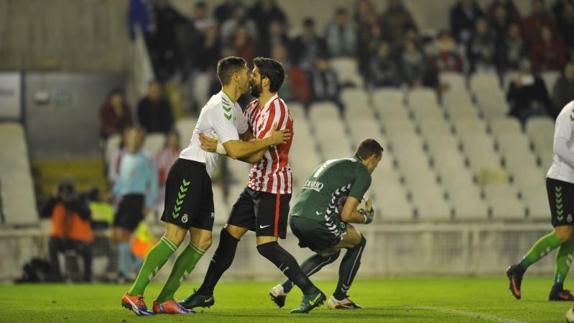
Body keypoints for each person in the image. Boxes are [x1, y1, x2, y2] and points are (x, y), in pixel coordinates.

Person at [121, 56, 290, 316]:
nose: (250, 76)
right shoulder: (219, 105)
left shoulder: (234, 109)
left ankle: (165, 299)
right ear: (236, 77)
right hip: (189, 169)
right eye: (247, 71)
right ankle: (134, 293)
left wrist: (261, 143)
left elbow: (251, 153)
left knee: (203, 239)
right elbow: (236, 149)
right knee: (175, 236)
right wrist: (268, 141)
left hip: (202, 175)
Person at [180, 57, 326, 314]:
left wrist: (222, 148)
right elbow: (245, 144)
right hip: (256, 183)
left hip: (273, 185)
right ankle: (205, 293)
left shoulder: (277, 109)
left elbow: (256, 154)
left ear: (266, 81)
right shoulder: (253, 108)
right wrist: (237, 147)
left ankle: (311, 292)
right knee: (228, 236)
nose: (251, 77)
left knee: (266, 245)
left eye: (255, 74)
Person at [269, 139, 383, 310]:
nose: (375, 167)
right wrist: (366, 218)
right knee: (359, 242)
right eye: (377, 162)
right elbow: (346, 215)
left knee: (329, 253)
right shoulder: (362, 173)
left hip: (296, 217)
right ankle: (340, 298)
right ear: (373, 157)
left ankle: (283, 288)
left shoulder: (334, 163)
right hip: (317, 220)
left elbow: (328, 200)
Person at [506, 99, 574, 301]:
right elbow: (559, 147)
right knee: (563, 233)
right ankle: (518, 269)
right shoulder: (570, 111)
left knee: (572, 235)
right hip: (562, 179)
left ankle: (557, 288)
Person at [111, 127, 158, 283]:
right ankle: (132, 268)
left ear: (141, 140)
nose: (133, 140)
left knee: (126, 236)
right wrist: (114, 193)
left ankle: (127, 272)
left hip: (137, 198)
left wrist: (149, 203)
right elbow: (122, 180)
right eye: (130, 137)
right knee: (117, 236)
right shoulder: (124, 156)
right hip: (123, 199)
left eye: (136, 137)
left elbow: (153, 182)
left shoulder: (147, 158)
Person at [42, 180, 93, 282]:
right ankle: (56, 277)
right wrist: (52, 198)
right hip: (61, 239)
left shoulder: (79, 200)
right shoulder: (55, 202)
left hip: (77, 239)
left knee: (87, 249)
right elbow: (43, 213)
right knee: (52, 243)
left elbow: (86, 215)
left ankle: (87, 278)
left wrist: (75, 201)